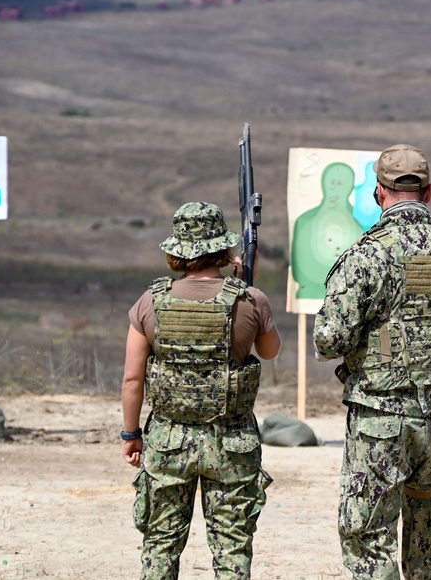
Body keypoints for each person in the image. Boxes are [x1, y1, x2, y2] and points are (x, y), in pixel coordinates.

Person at [313, 144, 431, 579]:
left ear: (377, 193)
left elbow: (329, 340)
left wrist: (382, 342)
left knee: (368, 535)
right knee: (429, 529)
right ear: (429, 192)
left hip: (382, 418)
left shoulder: (366, 256)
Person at [122, 201, 281, 580]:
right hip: (232, 442)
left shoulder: (151, 301)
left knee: (160, 543)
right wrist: (250, 292)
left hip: (168, 441)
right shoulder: (249, 300)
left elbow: (132, 379)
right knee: (232, 548)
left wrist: (131, 435)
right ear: (224, 249)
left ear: (178, 249)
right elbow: (270, 351)